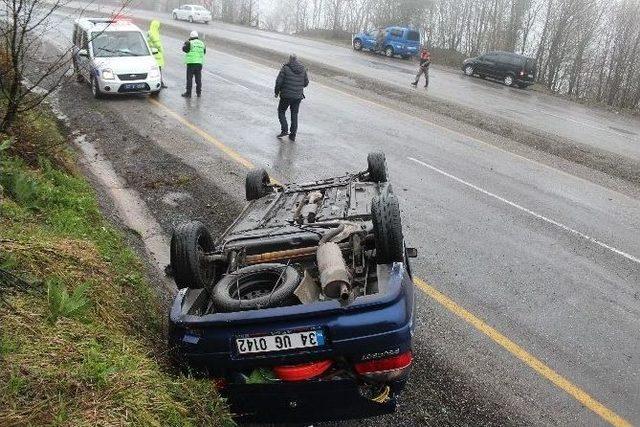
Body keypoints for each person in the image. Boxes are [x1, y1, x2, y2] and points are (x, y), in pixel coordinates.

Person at [274, 54, 309, 142]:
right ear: (297, 60)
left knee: (281, 111)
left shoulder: (285, 68)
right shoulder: (303, 69)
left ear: (289, 60)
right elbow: (306, 83)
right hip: (297, 97)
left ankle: (284, 130)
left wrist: (276, 92)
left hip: (286, 95)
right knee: (294, 114)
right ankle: (293, 135)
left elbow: (279, 82)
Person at [181, 31, 206, 98]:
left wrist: (186, 42)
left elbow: (184, 49)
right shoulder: (202, 43)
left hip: (191, 63)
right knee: (198, 79)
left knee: (189, 78)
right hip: (199, 63)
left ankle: (188, 94)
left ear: (191, 37)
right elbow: (204, 52)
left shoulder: (189, 42)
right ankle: (199, 93)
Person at [147, 20, 167, 88]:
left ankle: (160, 82)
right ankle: (160, 83)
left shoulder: (149, 32)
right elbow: (157, 44)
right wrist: (161, 50)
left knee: (154, 70)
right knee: (158, 70)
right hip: (156, 55)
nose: (159, 28)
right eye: (158, 26)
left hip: (151, 54)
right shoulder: (154, 33)